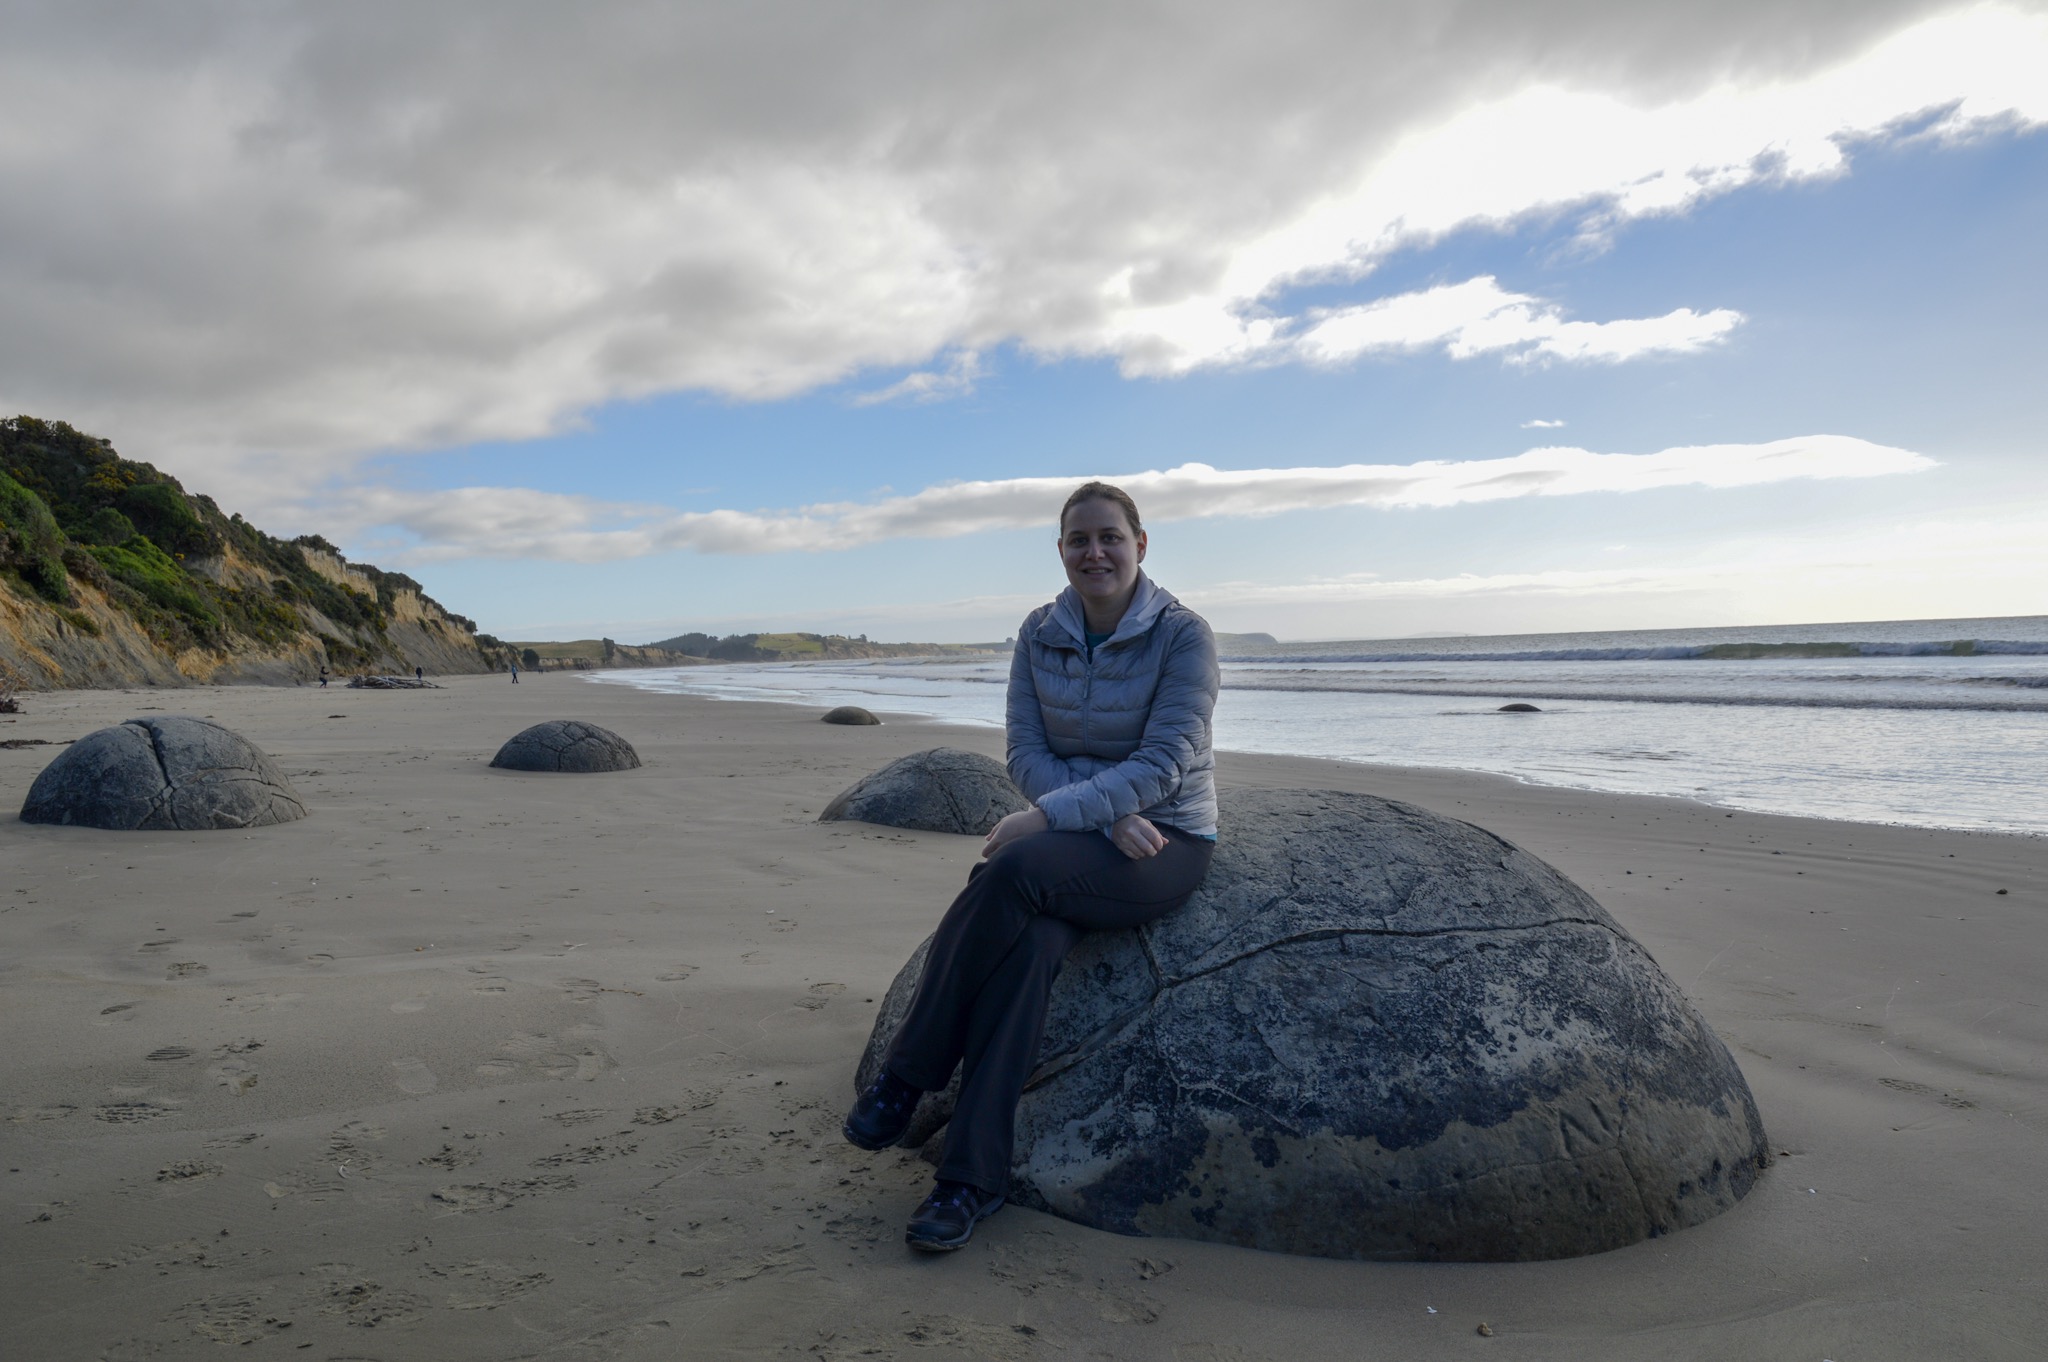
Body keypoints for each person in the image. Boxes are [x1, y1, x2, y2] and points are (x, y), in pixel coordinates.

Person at [842, 481, 1219, 1252]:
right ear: (1061, 552)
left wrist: (1051, 817)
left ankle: (906, 1078)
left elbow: (1168, 761)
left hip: (1168, 842)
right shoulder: (1039, 632)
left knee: (1007, 872)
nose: (1095, 552)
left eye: (1110, 537)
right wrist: (1101, 814)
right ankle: (969, 1182)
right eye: (1079, 540)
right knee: (1032, 950)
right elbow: (1025, 752)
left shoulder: (1184, 636)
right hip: (1106, 833)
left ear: (1140, 545)